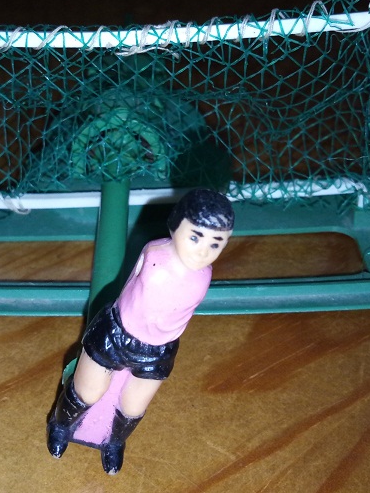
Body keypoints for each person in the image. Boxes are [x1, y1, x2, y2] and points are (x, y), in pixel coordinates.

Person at [48, 188, 235, 474]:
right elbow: (130, 285)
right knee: (88, 390)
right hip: (117, 333)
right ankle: (61, 425)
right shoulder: (154, 253)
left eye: (215, 243)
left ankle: (114, 442)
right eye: (195, 237)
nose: (202, 251)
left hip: (158, 350)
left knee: (133, 406)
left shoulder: (204, 276)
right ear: (176, 226)